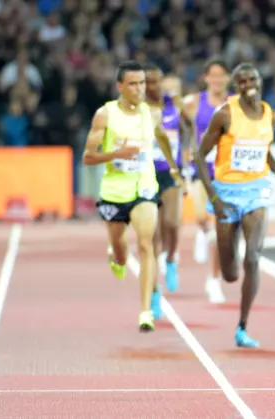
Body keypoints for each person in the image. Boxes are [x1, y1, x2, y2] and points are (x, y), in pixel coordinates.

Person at [193, 62, 275, 348]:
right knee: (230, 274)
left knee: (253, 257)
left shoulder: (271, 115)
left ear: (259, 81)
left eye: (252, 78)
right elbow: (199, 155)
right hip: (226, 193)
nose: (248, 83)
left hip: (256, 191)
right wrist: (214, 200)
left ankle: (242, 326)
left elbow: (263, 153)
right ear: (236, 86)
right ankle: (228, 250)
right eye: (241, 81)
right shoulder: (225, 115)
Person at [83, 60, 185, 332]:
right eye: (133, 84)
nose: (140, 89)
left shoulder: (151, 114)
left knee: (146, 245)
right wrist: (116, 154)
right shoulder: (104, 115)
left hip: (145, 188)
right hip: (115, 191)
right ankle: (115, 254)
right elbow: (88, 156)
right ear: (120, 86)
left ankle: (146, 310)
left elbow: (162, 138)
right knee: (120, 251)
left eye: (142, 83)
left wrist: (175, 168)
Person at [144, 64, 191, 319]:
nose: (152, 86)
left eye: (155, 81)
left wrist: (188, 159)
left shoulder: (174, 105)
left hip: (171, 173)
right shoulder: (138, 109)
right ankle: (153, 294)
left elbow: (191, 129)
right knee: (153, 238)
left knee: (173, 223)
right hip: (146, 175)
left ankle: (171, 259)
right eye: (147, 82)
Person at [182, 58, 231, 304]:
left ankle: (213, 281)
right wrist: (186, 152)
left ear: (227, 78)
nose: (217, 80)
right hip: (200, 168)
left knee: (219, 227)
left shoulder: (235, 104)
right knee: (202, 217)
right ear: (206, 78)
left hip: (226, 172)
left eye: (221, 75)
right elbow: (178, 127)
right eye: (213, 76)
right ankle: (201, 231)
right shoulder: (193, 103)